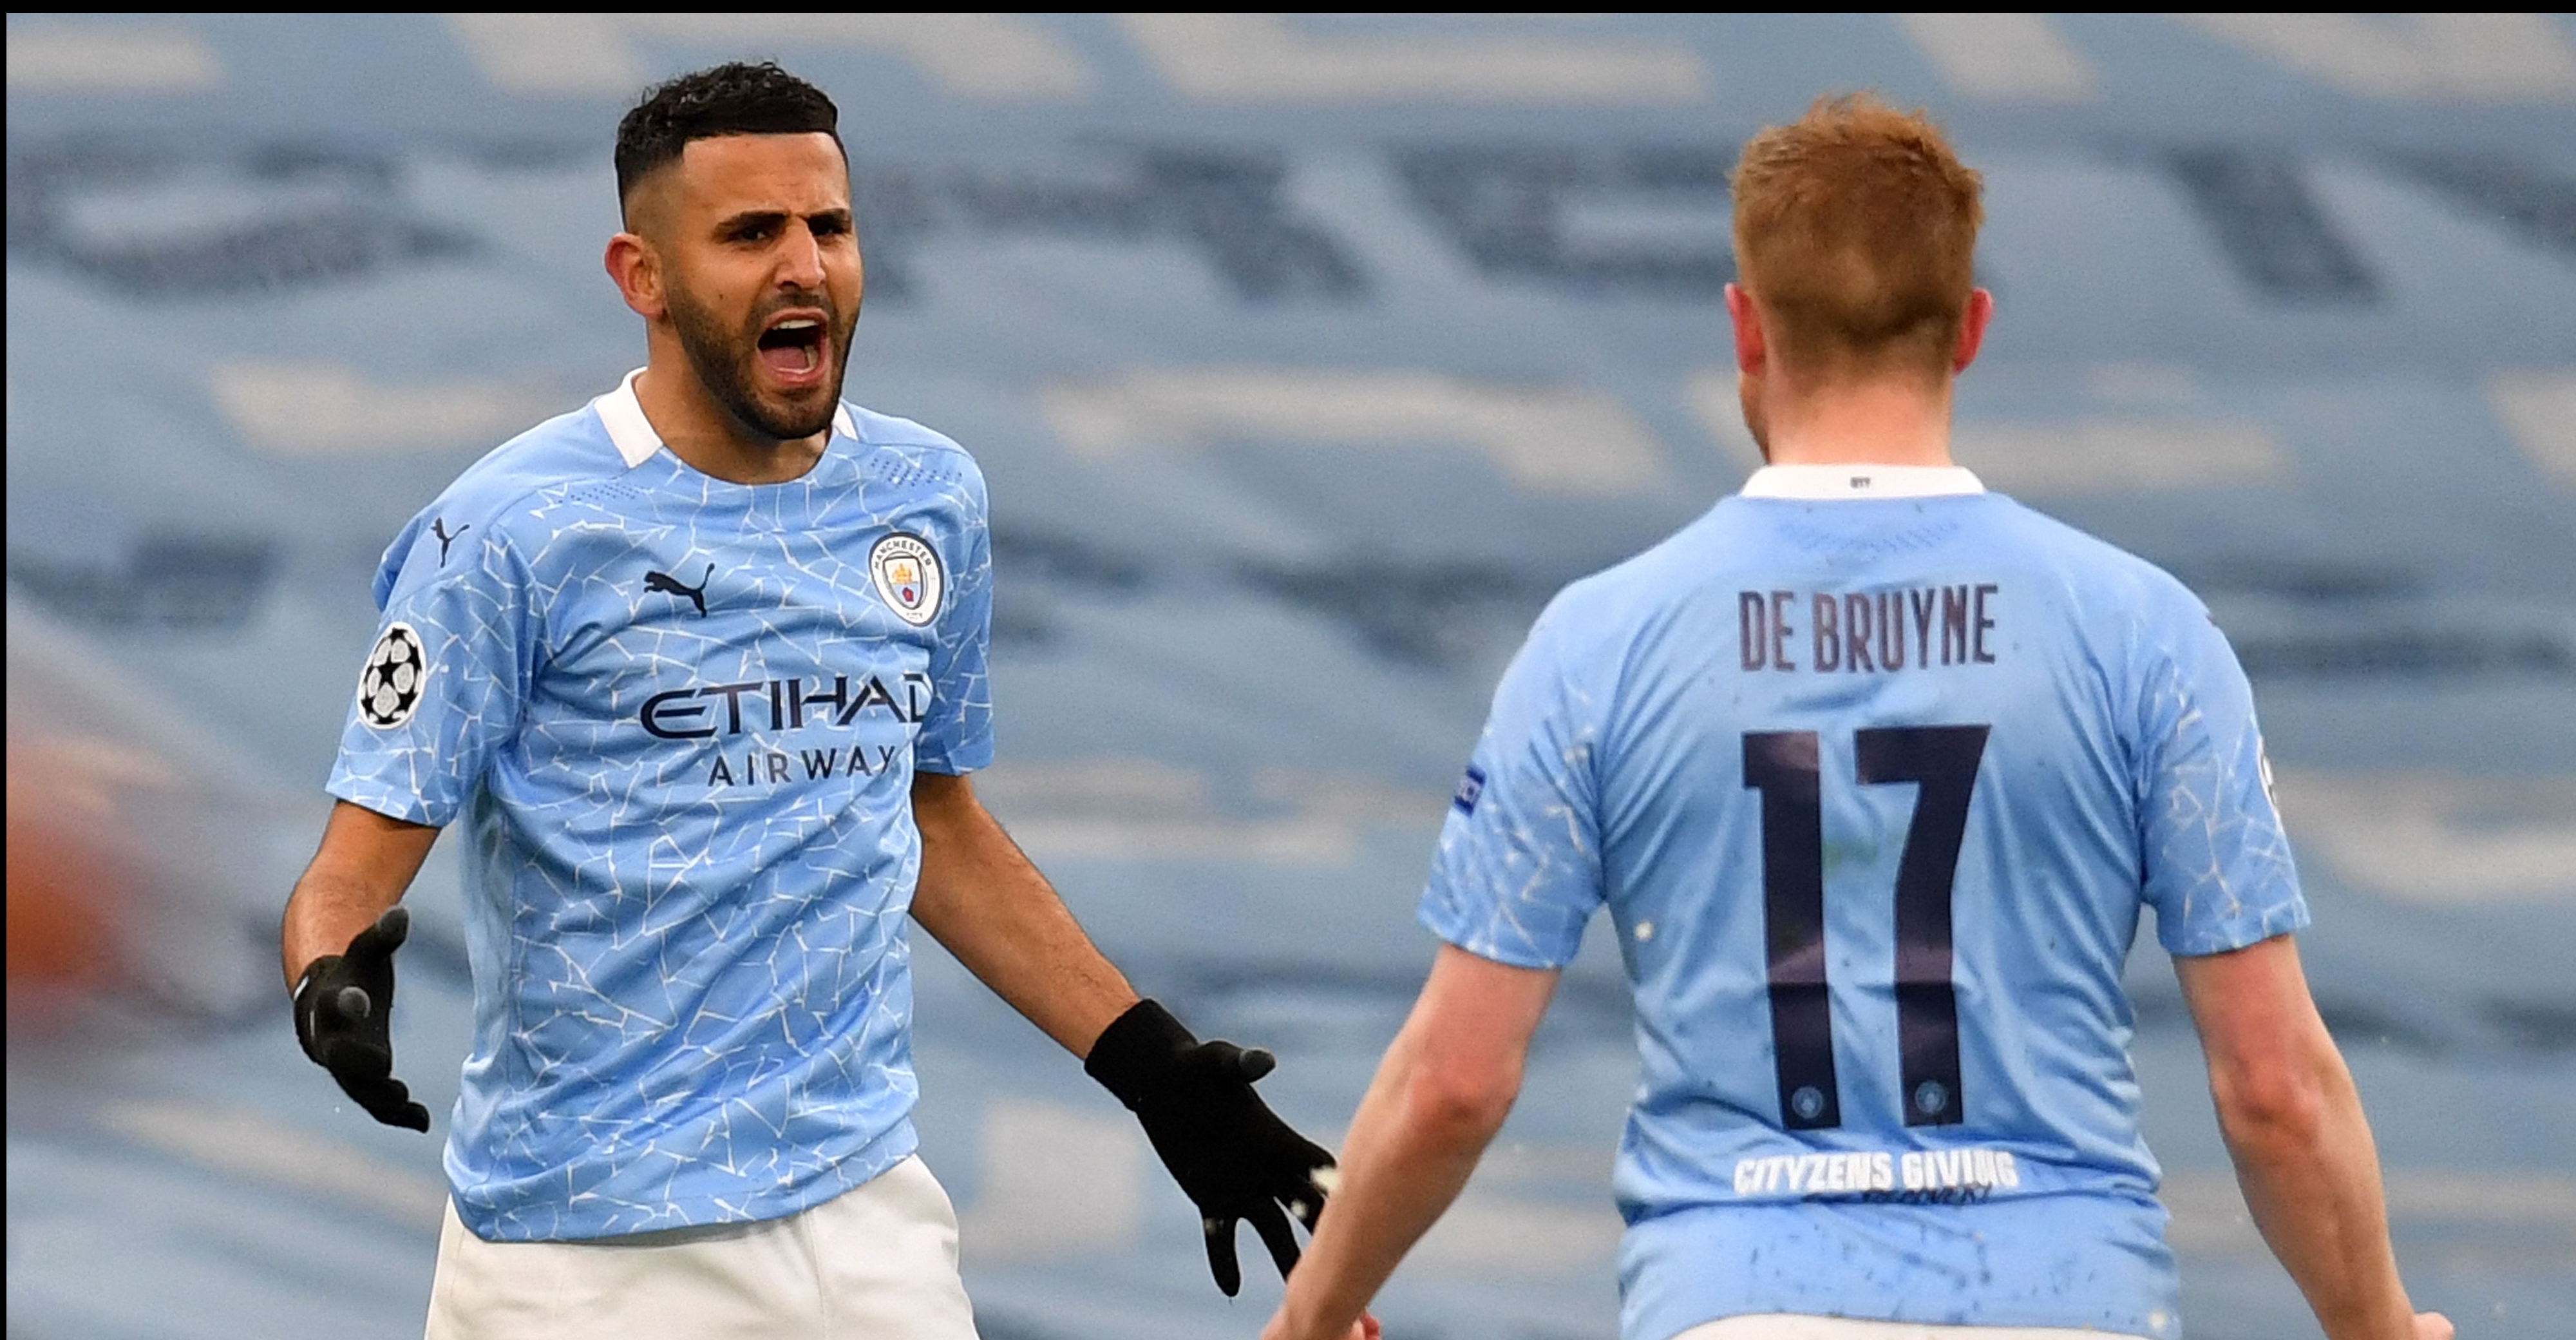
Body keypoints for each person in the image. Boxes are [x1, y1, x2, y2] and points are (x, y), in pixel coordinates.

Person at [1262, 95, 2453, 1340]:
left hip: (1739, 1300)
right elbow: (2273, 1089)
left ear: (1745, 322)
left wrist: (1316, 1313)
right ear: (1971, 329)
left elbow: (1457, 1083)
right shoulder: (2143, 633)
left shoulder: (1600, 643)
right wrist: (2379, 1324)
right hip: (2069, 1296)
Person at [279, 61, 1336, 1339]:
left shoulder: (926, 495)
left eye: (827, 227)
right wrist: (326, 981)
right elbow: (349, 869)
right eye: (749, 234)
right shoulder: (506, 531)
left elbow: (932, 818)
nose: (804, 265)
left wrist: (1153, 1067)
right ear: (643, 278)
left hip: (867, 1220)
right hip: (581, 1250)